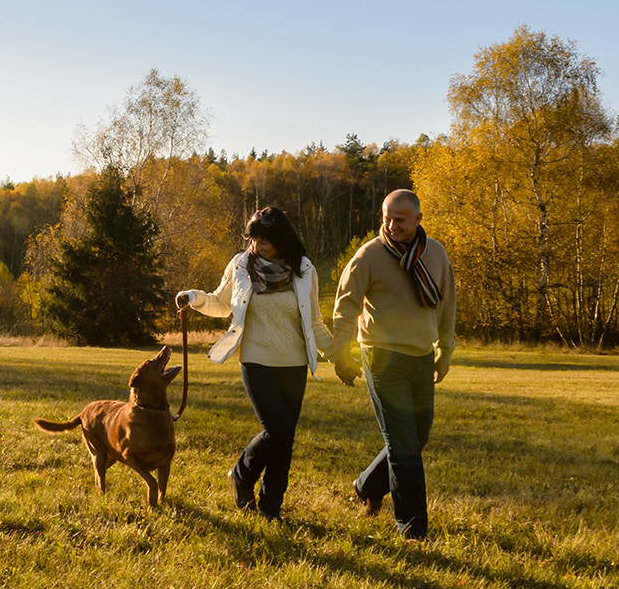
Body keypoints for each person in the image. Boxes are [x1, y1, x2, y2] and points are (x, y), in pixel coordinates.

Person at [175, 207, 333, 519]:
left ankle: (271, 507)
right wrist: (193, 297)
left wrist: (339, 356)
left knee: (285, 440)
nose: (257, 245)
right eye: (254, 238)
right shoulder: (241, 265)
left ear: (281, 240)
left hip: (294, 364)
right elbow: (222, 303)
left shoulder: (304, 269)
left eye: (265, 240)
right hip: (255, 359)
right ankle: (242, 474)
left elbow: (315, 322)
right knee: (277, 429)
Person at [330, 189, 456, 540]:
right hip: (382, 357)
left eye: (399, 219)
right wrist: (341, 354)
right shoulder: (368, 255)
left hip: (420, 356)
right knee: (403, 446)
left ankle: (367, 485)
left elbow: (447, 305)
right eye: (386, 217)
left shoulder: (435, 253)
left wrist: (445, 351)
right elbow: (345, 307)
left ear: (418, 219)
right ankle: (412, 527)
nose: (391, 225)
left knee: (417, 437)